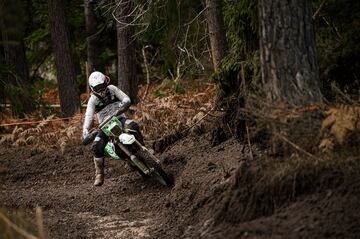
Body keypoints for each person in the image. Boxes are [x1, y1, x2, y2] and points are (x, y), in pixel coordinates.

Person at [82, 71, 142, 186]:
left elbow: (125, 98)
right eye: (97, 87)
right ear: (92, 88)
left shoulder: (112, 89)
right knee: (96, 146)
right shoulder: (92, 100)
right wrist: (85, 129)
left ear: (106, 82)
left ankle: (143, 147)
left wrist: (124, 103)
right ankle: (99, 173)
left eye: (102, 85)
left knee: (133, 125)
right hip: (104, 126)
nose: (101, 89)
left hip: (119, 118)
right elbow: (89, 115)